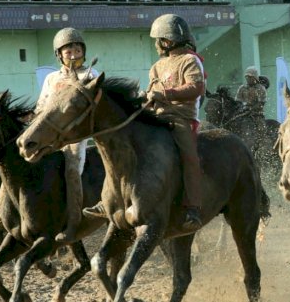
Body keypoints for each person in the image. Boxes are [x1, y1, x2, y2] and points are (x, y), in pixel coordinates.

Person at [87, 15, 205, 231]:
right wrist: (146, 98)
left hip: (181, 118)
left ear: (167, 41)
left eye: (157, 40)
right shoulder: (156, 67)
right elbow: (153, 94)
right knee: (118, 148)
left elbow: (196, 88)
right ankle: (107, 202)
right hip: (156, 116)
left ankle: (193, 208)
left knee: (190, 158)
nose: (155, 44)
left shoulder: (190, 60)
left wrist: (164, 94)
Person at [32, 28, 98, 243]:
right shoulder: (51, 78)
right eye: (68, 49)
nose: (73, 52)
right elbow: (42, 106)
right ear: (58, 54)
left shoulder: (90, 75)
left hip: (75, 135)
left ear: (83, 52)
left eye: (77, 49)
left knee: (71, 169)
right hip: (50, 134)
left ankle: (73, 223)